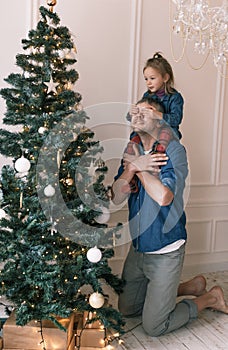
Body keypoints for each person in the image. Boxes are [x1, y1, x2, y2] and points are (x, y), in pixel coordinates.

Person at [112, 97, 228, 337]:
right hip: (139, 247)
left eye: (148, 110)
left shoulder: (173, 149)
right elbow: (115, 197)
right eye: (137, 109)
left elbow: (164, 197)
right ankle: (188, 287)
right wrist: (132, 167)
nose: (140, 113)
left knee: (154, 326)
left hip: (165, 248)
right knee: (127, 309)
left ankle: (208, 298)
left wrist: (139, 168)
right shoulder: (132, 149)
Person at [127, 52, 184, 139]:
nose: (148, 82)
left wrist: (157, 114)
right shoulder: (147, 96)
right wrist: (131, 114)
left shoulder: (175, 97)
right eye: (146, 79)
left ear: (165, 78)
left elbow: (176, 120)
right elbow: (137, 117)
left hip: (167, 133)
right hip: (150, 131)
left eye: (152, 78)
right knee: (135, 135)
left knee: (167, 135)